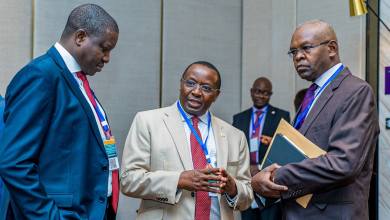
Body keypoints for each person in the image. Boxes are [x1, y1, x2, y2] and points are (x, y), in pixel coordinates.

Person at [0, 4, 120, 219]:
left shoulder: (77, 79)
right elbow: (14, 162)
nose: (107, 58)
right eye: (104, 48)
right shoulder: (41, 75)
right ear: (81, 37)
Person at [251, 20, 379, 219]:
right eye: (293, 52)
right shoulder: (312, 94)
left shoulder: (356, 91)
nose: (298, 56)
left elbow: (343, 163)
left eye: (306, 48)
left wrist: (274, 176)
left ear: (332, 48)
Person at [120, 61, 253, 220]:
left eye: (206, 88)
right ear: (181, 84)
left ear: (216, 95)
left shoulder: (235, 136)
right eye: (190, 83)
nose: (196, 91)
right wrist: (178, 180)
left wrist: (233, 189)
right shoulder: (148, 121)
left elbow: (247, 196)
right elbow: (129, 181)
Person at [233, 77, 290, 220]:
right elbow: (234, 148)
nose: (261, 96)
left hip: (269, 179)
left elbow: (283, 148)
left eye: (265, 93)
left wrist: (263, 168)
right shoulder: (239, 118)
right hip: (246, 178)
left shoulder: (281, 116)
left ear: (270, 94)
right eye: (258, 92)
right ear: (251, 92)